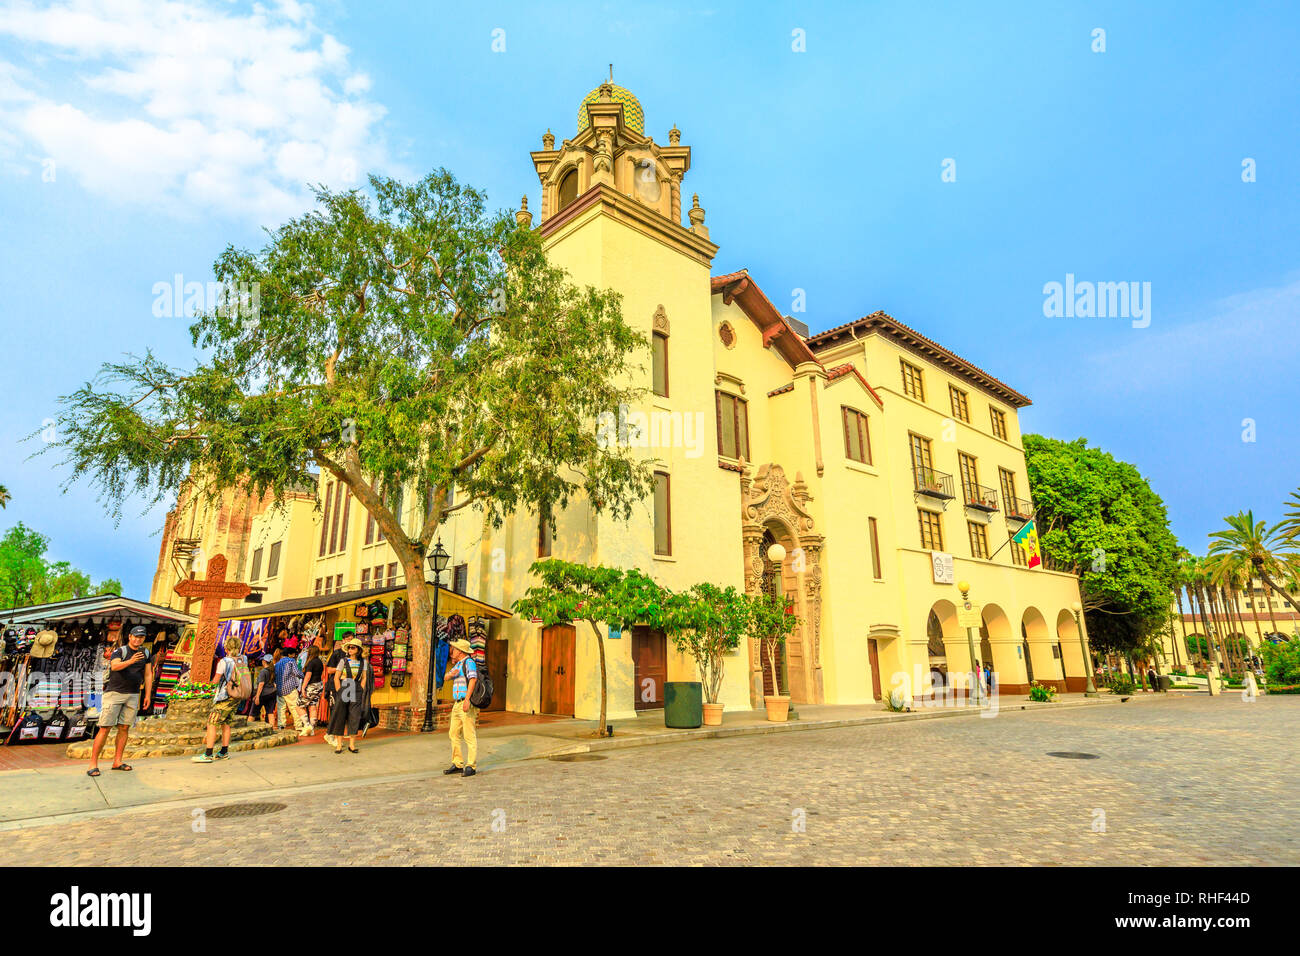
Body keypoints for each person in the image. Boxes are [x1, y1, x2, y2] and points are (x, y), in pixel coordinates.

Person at [87, 625, 154, 776]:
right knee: (105, 727)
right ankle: (93, 764)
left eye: (141, 637)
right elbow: (115, 666)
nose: (138, 639)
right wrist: (130, 661)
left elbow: (148, 674)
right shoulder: (120, 651)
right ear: (130, 637)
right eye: (135, 636)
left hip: (133, 694)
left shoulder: (146, 652)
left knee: (124, 728)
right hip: (115, 693)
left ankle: (117, 761)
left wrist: (147, 695)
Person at [193, 635, 247, 763]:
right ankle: (224, 751)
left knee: (212, 722)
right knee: (226, 723)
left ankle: (208, 753)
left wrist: (206, 686)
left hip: (225, 697)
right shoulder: (243, 658)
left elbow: (216, 680)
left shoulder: (224, 661)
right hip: (237, 695)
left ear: (226, 648)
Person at [326, 638, 371, 754]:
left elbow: (364, 677)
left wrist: (361, 687)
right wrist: (339, 690)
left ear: (358, 650)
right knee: (340, 715)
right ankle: (339, 745)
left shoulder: (363, 662)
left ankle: (352, 745)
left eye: (353, 647)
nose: (350, 649)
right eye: (349, 647)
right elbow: (336, 677)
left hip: (356, 688)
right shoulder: (343, 661)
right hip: (344, 687)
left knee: (354, 716)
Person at [443, 638, 479, 778]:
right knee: (453, 733)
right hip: (457, 703)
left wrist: (468, 700)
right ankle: (457, 763)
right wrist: (450, 674)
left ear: (461, 651)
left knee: (469, 734)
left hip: (465, 701)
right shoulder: (458, 664)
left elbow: (473, 679)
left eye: (455, 649)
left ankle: (471, 765)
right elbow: (446, 677)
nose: (453, 651)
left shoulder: (469, 663)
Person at [273, 646, 313, 737]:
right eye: (294, 654)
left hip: (279, 689)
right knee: (295, 707)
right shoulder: (291, 661)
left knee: (281, 707)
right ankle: (298, 725)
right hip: (290, 687)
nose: (295, 656)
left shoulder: (277, 663)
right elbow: (296, 673)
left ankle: (281, 725)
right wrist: (304, 677)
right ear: (290, 654)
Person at [300, 646, 325, 727]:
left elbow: (308, 676)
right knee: (312, 705)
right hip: (319, 685)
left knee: (299, 706)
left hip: (312, 686)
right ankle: (312, 727)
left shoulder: (311, 662)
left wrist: (303, 688)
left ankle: (307, 726)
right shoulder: (319, 662)